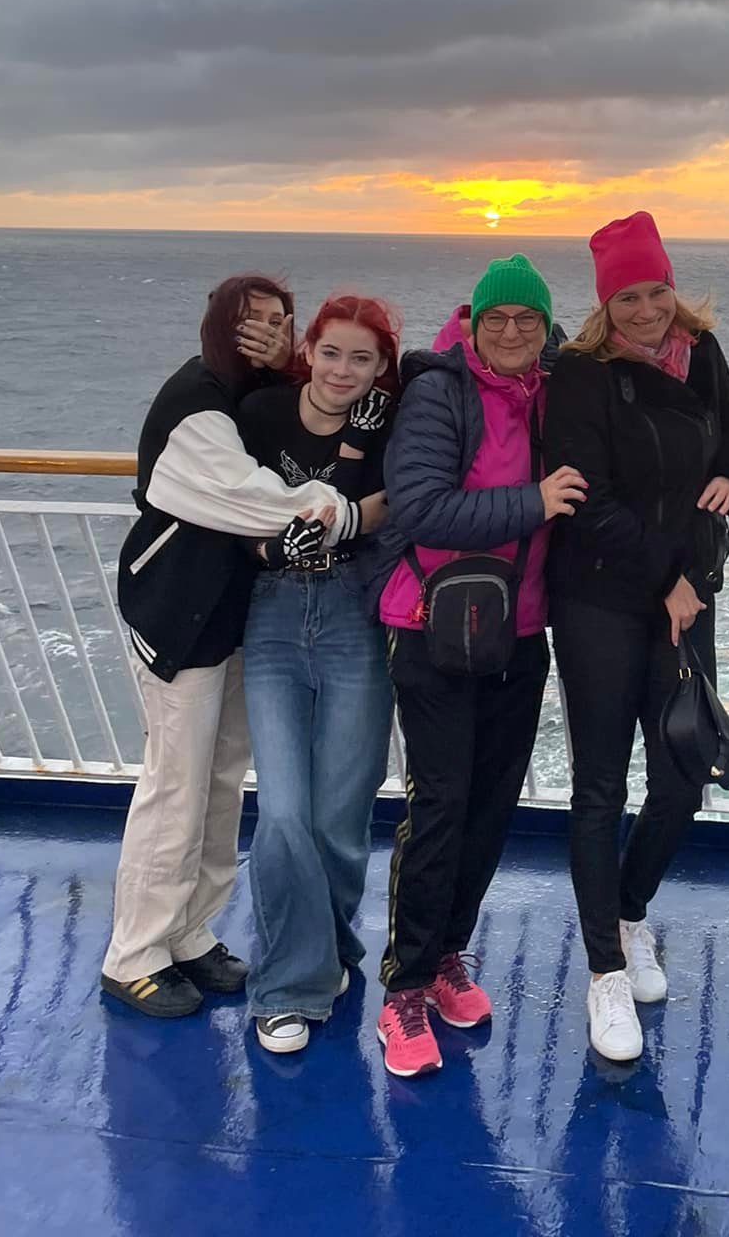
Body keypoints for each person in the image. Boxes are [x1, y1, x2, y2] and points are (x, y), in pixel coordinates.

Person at [102, 275, 363, 1018]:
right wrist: (342, 510)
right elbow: (258, 499)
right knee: (176, 785)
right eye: (251, 321)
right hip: (177, 619)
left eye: (280, 320)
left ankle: (189, 932)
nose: (268, 333)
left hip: (229, 617)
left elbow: (292, 426)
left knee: (220, 780)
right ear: (219, 325)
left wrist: (287, 368)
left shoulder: (246, 393)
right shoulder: (196, 405)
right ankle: (134, 953)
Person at [369, 256, 586, 1080]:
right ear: (473, 322)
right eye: (496, 318)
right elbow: (421, 506)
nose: (511, 331)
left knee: (492, 807)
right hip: (431, 624)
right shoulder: (440, 391)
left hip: (517, 630)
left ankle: (448, 955)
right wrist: (533, 501)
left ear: (545, 327)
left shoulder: (554, 391)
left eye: (527, 319)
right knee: (441, 806)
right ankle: (405, 987)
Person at [543, 212, 729, 1065]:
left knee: (680, 780)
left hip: (683, 603)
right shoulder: (580, 373)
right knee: (600, 788)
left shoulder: (702, 353)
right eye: (627, 296)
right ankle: (604, 973)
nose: (646, 310)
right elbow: (583, 498)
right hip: (599, 600)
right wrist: (666, 574)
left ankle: (629, 917)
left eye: (656, 290)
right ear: (605, 303)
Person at [236, 294, 401, 1055]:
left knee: (339, 814)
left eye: (361, 358)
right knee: (282, 812)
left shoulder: (389, 421)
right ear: (308, 349)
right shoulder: (263, 414)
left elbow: (398, 500)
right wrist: (271, 547)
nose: (342, 370)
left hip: (353, 613)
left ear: (380, 366)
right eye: (331, 352)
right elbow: (227, 503)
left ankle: (327, 947)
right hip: (272, 611)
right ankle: (286, 987)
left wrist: (347, 517)